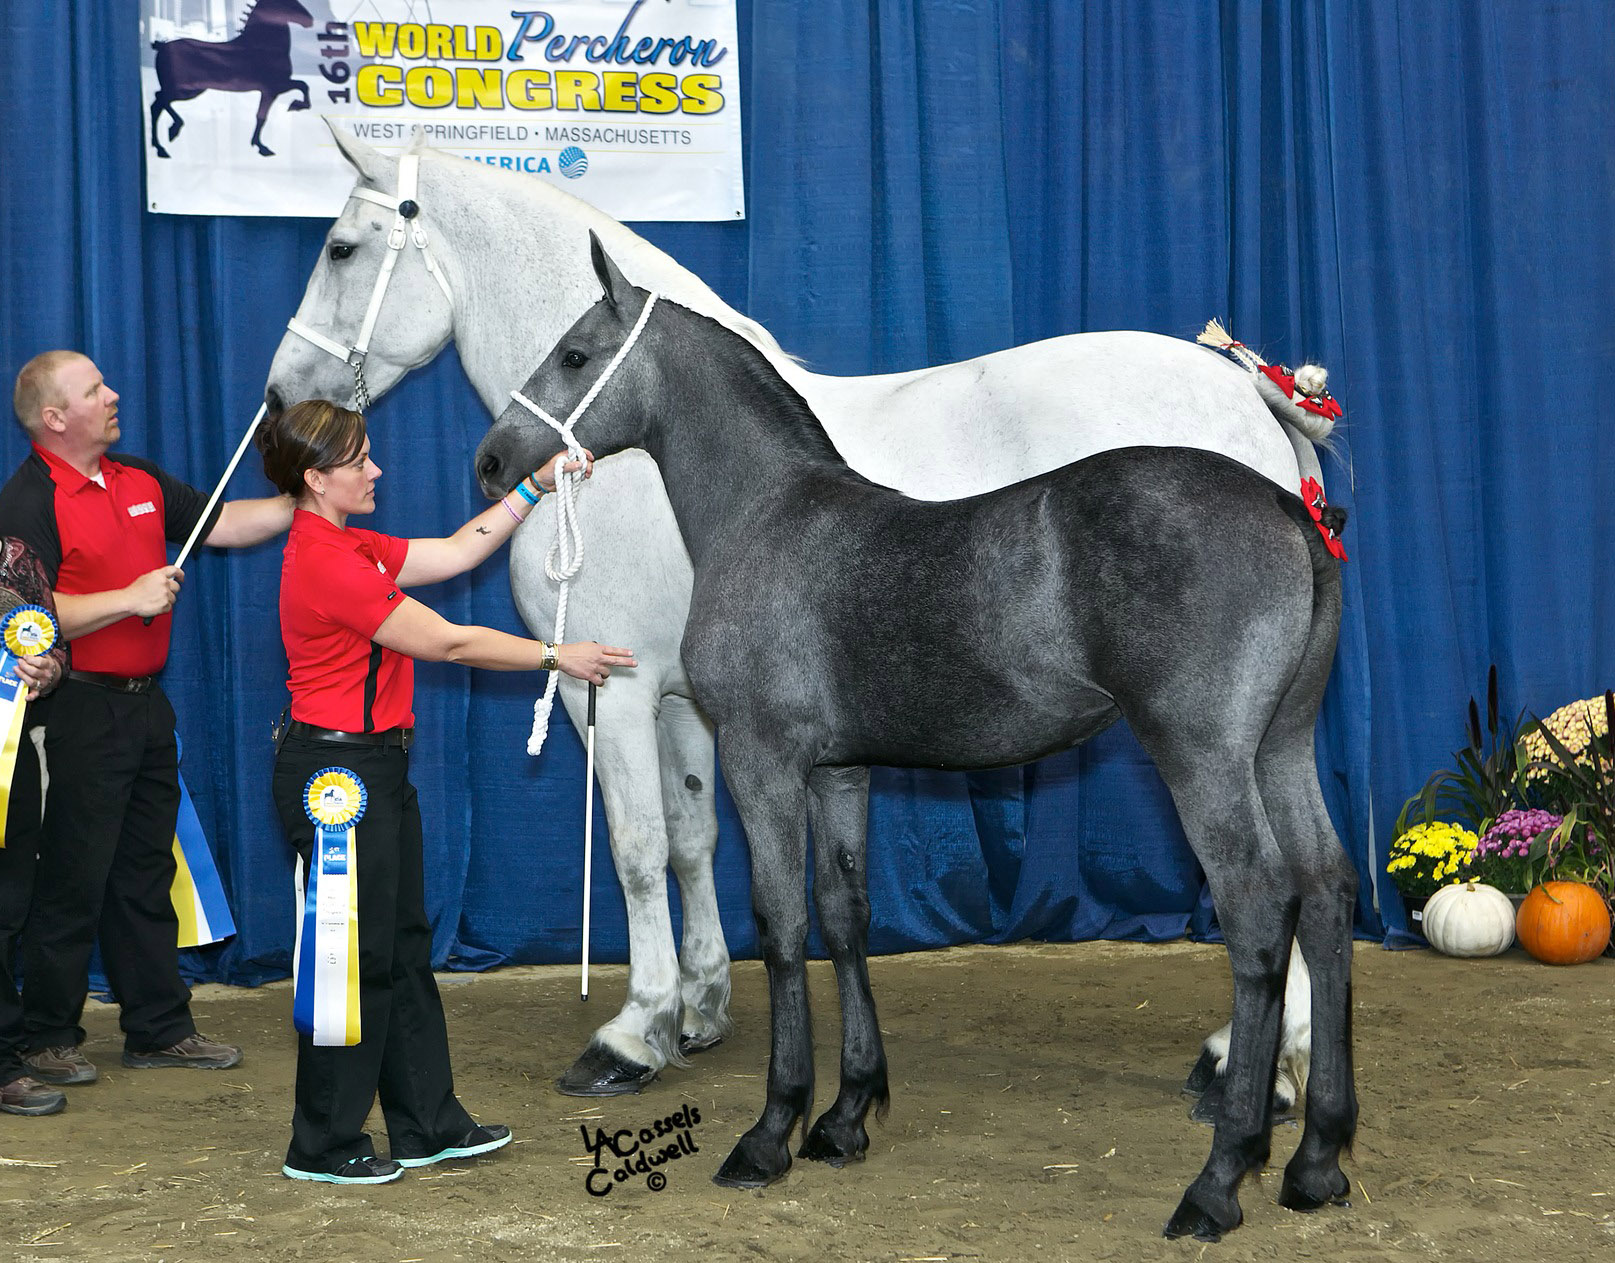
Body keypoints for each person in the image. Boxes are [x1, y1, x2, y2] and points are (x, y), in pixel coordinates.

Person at [259, 398, 634, 1186]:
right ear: (317, 477)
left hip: (375, 770)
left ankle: (427, 1123)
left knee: (398, 948)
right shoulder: (327, 561)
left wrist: (535, 483)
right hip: (337, 777)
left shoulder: (348, 541)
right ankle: (322, 1143)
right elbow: (447, 640)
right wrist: (554, 655)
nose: (376, 470)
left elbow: (460, 550)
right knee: (351, 963)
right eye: (360, 460)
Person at [0, 350, 295, 1087]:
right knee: (71, 875)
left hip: (145, 706)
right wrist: (129, 598)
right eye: (94, 389)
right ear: (54, 418)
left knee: (143, 870)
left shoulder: (138, 478)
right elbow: (23, 613)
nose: (114, 393)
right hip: (72, 711)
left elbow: (223, 523)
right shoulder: (28, 498)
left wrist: (306, 499)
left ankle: (158, 1026)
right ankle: (46, 1037)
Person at [0, 536, 68, 1115]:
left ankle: (2, 1060)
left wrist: (44, 669)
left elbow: (52, 645)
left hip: (5, 753)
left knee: (5, 907)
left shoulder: (12, 556)